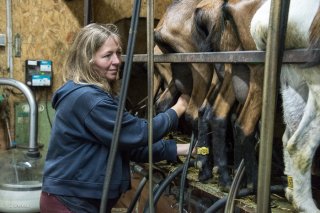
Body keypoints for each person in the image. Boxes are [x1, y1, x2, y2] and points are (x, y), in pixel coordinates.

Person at [40, 23, 191, 213]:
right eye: (107, 55)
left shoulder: (97, 96)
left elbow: (127, 144)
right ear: (87, 60)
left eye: (118, 53)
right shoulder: (89, 99)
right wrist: (178, 108)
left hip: (81, 200)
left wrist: (179, 148)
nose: (117, 61)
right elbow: (139, 133)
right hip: (70, 203)